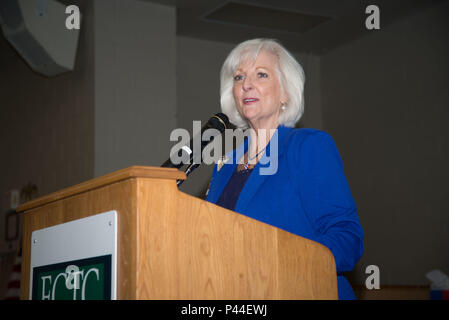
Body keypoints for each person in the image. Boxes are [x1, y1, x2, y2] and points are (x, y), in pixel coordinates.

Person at [205, 38, 364, 300]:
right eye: (239, 77)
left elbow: (347, 239)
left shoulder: (308, 146)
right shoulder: (223, 166)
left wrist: (279, 260)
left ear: (285, 92)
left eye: (261, 74)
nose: (246, 84)